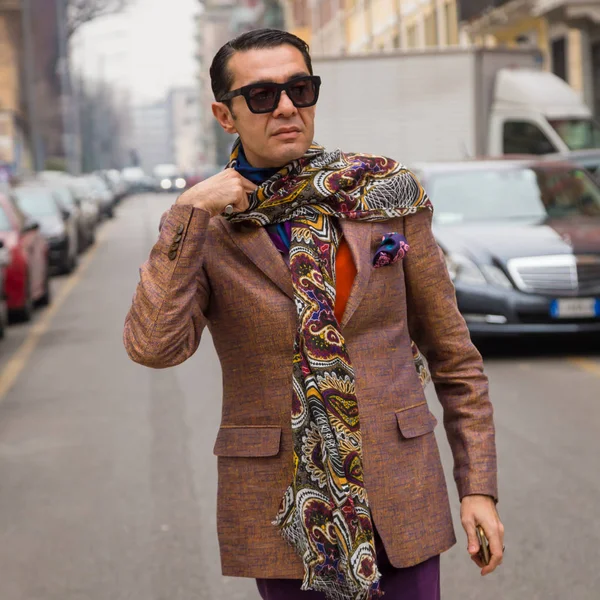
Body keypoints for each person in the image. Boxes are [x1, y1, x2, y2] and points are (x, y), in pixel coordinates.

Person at [123, 29, 503, 600]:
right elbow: (155, 345)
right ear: (224, 115)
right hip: (286, 510)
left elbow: (454, 357)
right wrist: (186, 214)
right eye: (261, 96)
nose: (285, 108)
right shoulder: (209, 226)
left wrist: (478, 488)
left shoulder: (383, 195)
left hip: (401, 493)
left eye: (300, 89)